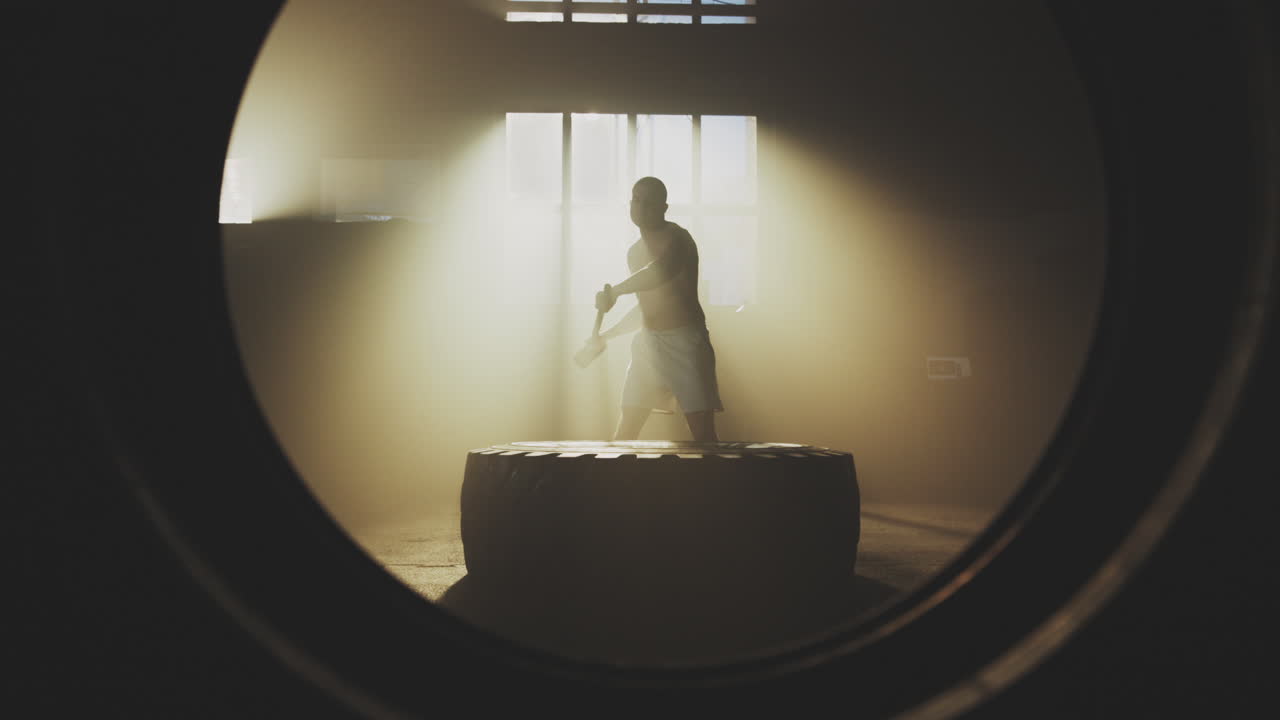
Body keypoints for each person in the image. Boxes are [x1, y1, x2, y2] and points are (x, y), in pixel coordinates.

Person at [592, 176, 723, 442]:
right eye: (637, 200)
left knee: (703, 434)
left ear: (664, 208)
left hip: (686, 343)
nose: (642, 207)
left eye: (650, 202)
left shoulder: (680, 239)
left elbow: (660, 272)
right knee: (626, 430)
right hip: (649, 345)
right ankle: (614, 482)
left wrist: (615, 291)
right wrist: (607, 335)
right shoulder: (634, 252)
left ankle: (713, 482)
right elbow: (646, 309)